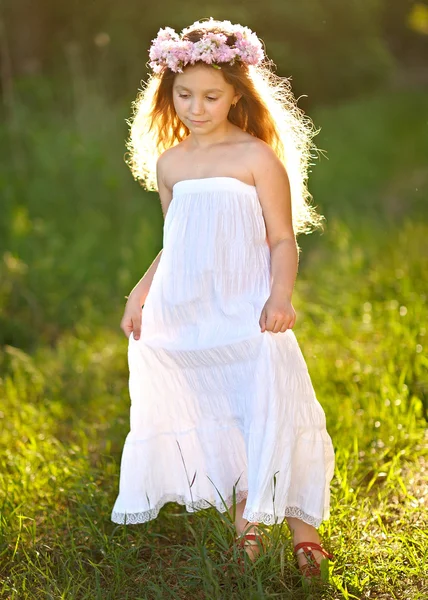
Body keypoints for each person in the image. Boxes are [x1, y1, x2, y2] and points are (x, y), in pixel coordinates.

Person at [111, 18, 335, 579]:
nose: (196, 107)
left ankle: (303, 531)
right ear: (169, 95)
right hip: (190, 308)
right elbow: (175, 244)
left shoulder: (257, 157)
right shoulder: (170, 164)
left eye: (211, 96)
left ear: (237, 93)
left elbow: (282, 238)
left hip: (249, 305)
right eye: (184, 95)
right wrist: (140, 292)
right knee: (219, 410)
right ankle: (246, 526)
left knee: (268, 402)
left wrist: (280, 295)